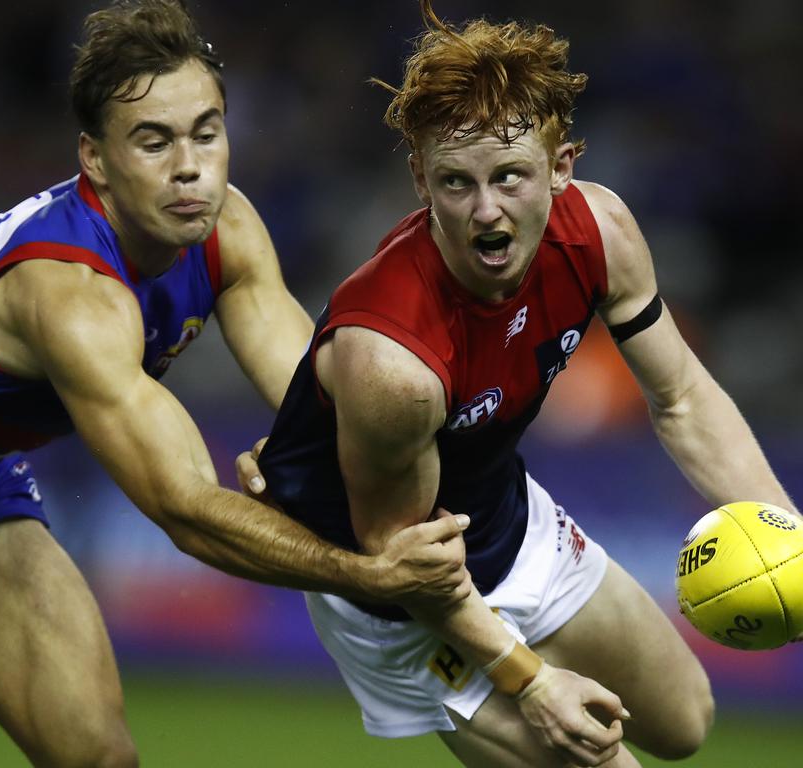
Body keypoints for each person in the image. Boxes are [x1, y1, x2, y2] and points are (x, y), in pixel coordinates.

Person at [0, 2, 471, 766]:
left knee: (102, 760)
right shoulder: (69, 298)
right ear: (95, 159)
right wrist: (369, 573)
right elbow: (184, 509)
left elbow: (322, 405)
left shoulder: (226, 228)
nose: (189, 166)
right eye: (154, 140)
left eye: (206, 133)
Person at [246, 2, 796, 766]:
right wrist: (532, 682)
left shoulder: (599, 231)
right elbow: (402, 560)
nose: (486, 213)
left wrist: (784, 535)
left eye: (510, 176)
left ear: (563, 166)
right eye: (456, 183)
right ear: (418, 180)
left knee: (684, 723)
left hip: (513, 523)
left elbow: (683, 397)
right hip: (406, 609)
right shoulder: (392, 361)